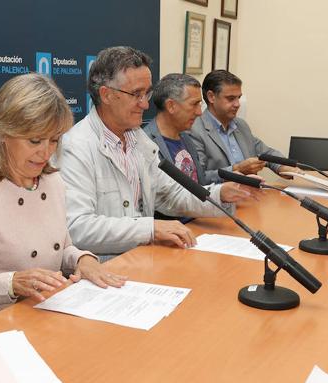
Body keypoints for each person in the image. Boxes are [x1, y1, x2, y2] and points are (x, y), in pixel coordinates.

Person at [0, 73, 126, 327]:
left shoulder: (53, 182)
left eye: (54, 140)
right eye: (34, 140)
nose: (46, 152)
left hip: (40, 315)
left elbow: (59, 248)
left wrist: (81, 259)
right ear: (3, 134)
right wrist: (10, 283)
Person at [57, 47, 257, 261]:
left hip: (142, 261)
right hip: (105, 272)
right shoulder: (75, 147)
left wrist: (220, 194)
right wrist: (151, 229)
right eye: (136, 94)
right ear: (106, 95)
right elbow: (77, 227)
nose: (145, 104)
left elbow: (171, 195)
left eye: (147, 93)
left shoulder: (138, 140)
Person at [189, 70, 300, 184]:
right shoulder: (194, 130)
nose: (237, 104)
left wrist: (283, 167)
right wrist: (236, 170)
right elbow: (197, 178)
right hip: (221, 199)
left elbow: (266, 153)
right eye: (231, 98)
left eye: (239, 97)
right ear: (211, 97)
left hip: (251, 195)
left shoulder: (241, 125)